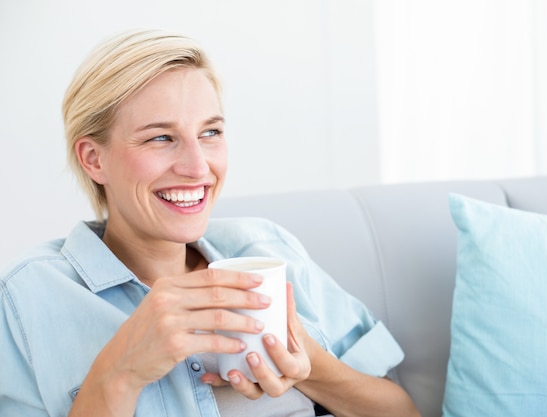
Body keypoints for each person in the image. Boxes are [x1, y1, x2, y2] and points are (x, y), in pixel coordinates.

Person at [0, 29, 421, 417]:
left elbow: (402, 411)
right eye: (160, 137)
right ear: (94, 159)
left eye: (211, 132)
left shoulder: (268, 249)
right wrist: (120, 372)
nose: (198, 167)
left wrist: (310, 366)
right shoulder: (28, 297)